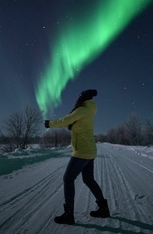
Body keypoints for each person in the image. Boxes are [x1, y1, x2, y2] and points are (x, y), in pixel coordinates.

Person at [44, 89, 110, 225]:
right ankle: (103, 208)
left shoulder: (82, 110)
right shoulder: (89, 111)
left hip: (82, 151)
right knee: (89, 179)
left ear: (82, 99)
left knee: (68, 178)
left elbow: (65, 120)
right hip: (89, 150)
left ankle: (69, 214)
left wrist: (50, 123)